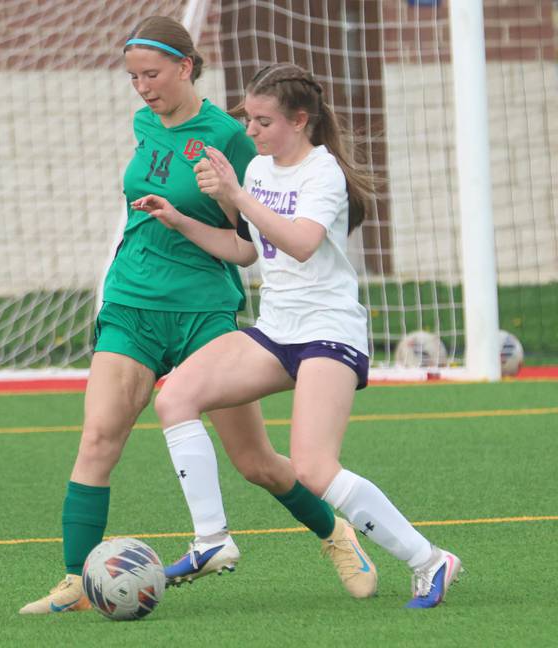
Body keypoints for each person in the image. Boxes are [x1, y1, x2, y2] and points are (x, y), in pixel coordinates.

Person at [19, 21, 376, 615]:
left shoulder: (235, 138)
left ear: (187, 67)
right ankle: (77, 582)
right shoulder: (144, 125)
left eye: (151, 75)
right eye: (132, 77)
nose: (141, 88)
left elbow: (250, 236)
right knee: (100, 437)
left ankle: (334, 533)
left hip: (204, 310)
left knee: (256, 462)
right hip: (131, 303)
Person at [136, 62, 462, 609]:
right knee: (175, 397)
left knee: (313, 469)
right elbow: (247, 251)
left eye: (263, 121)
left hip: (329, 332)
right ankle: (212, 541)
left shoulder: (322, 173)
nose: (252, 131)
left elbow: (303, 243)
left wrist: (236, 196)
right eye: (248, 118)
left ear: (301, 121)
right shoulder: (261, 171)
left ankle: (431, 560)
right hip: (276, 331)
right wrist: (181, 220)